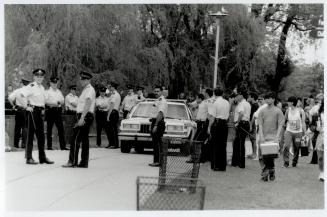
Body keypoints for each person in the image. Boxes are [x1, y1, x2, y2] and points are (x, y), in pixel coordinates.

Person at [62, 71, 95, 168]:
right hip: (85, 115)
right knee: (84, 139)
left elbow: (88, 103)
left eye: (84, 79)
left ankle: (72, 161)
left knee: (75, 138)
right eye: (81, 79)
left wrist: (82, 118)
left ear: (88, 80)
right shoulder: (86, 90)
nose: (82, 81)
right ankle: (84, 162)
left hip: (84, 116)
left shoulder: (89, 90)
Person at [22, 68, 54, 165]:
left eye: (41, 77)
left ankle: (42, 157)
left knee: (41, 136)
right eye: (37, 76)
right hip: (33, 111)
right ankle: (29, 158)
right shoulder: (31, 86)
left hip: (40, 112)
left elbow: (45, 100)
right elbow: (21, 95)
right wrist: (26, 106)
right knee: (30, 135)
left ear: (43, 78)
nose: (39, 78)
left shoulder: (42, 88)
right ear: (34, 77)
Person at [258, 93, 284, 181]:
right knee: (261, 156)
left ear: (273, 99)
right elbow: (260, 124)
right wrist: (261, 136)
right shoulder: (262, 111)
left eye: (269, 98)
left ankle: (269, 171)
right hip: (263, 136)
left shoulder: (278, 111)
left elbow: (280, 125)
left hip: (273, 137)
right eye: (266, 98)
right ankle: (267, 172)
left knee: (270, 156)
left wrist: (277, 137)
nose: (267, 100)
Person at [207, 87, 230, 171]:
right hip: (224, 124)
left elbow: (212, 117)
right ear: (222, 93)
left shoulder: (215, 103)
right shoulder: (226, 102)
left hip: (217, 123)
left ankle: (216, 165)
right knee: (223, 145)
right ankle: (222, 165)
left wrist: (209, 127)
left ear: (214, 93)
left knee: (216, 144)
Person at [45, 77, 68, 150]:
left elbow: (62, 100)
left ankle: (63, 146)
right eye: (53, 83)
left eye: (56, 83)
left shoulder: (59, 91)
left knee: (61, 129)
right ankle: (49, 146)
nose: (55, 84)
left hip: (58, 111)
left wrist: (58, 103)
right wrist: (55, 103)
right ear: (50, 83)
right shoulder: (47, 92)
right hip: (50, 111)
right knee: (49, 129)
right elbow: (45, 102)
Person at [283, 96, 306, 168]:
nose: (287, 103)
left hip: (298, 133)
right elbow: (285, 120)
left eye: (288, 102)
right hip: (289, 131)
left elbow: (303, 122)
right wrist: (282, 126)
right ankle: (286, 162)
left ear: (292, 102)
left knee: (296, 147)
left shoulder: (301, 111)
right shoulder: (287, 110)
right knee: (286, 146)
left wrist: (304, 132)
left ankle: (294, 161)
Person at [231, 88, 251, 168]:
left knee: (239, 144)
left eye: (238, 95)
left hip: (241, 124)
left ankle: (239, 163)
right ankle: (238, 162)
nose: (237, 97)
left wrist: (237, 123)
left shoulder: (241, 104)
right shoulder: (247, 104)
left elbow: (241, 113)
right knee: (240, 143)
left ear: (241, 95)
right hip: (245, 123)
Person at [8, 78, 30, 148]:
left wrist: (14, 106)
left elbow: (9, 98)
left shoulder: (17, 91)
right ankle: (24, 144)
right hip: (25, 110)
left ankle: (16, 144)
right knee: (25, 128)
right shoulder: (28, 92)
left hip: (18, 110)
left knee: (17, 128)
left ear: (22, 83)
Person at [148, 85, 168, 167]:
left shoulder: (162, 101)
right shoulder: (157, 100)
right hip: (155, 122)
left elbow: (160, 113)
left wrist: (155, 125)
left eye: (158, 91)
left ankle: (158, 162)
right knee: (156, 143)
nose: (156, 93)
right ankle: (158, 161)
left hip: (159, 123)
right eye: (155, 91)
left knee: (157, 144)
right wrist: (152, 124)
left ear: (161, 92)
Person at [106, 82, 121, 149]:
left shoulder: (114, 95)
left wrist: (108, 115)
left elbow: (112, 105)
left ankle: (114, 144)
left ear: (113, 87)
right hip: (114, 112)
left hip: (113, 112)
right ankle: (112, 143)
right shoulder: (115, 94)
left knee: (112, 129)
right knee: (111, 129)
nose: (110, 88)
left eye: (111, 87)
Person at [247, 92, 259, 159]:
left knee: (253, 139)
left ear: (253, 98)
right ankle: (253, 153)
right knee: (252, 139)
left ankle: (254, 154)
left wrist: (251, 124)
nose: (248, 98)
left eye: (249, 97)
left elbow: (254, 116)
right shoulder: (253, 105)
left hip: (253, 123)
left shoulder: (255, 105)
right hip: (252, 123)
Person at [316, 99, 324, 181]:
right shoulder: (320, 114)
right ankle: (322, 172)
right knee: (320, 157)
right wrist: (319, 127)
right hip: (321, 136)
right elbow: (318, 127)